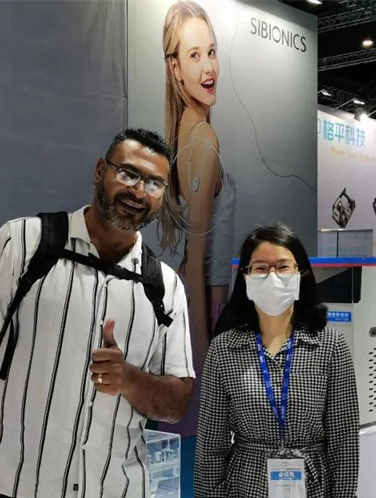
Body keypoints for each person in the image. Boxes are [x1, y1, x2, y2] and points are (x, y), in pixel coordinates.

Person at [0, 128, 195, 498]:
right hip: (12, 492)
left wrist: (129, 380)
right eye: (128, 174)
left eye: (154, 183)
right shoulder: (23, 243)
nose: (138, 191)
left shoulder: (165, 288)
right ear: (101, 171)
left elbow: (177, 402)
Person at [190, 223, 364, 498]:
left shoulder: (330, 346)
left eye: (283, 266)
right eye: (260, 268)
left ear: (301, 273)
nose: (272, 276)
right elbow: (211, 446)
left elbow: (344, 442)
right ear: (246, 277)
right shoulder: (224, 350)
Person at [160, 0, 236, 369]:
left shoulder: (182, 133)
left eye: (211, 52)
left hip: (200, 308)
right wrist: (203, 359)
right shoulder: (203, 138)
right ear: (175, 68)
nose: (209, 68)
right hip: (207, 311)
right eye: (194, 56)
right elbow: (195, 262)